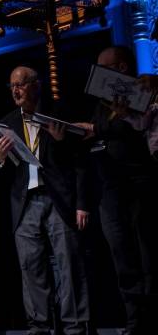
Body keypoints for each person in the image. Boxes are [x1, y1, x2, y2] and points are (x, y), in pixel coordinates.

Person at [0, 66, 90, 335]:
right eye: (12, 85)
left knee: (69, 264)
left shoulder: (59, 114)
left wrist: (82, 203)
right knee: (31, 268)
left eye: (21, 84)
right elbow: (4, 173)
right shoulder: (7, 123)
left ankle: (75, 326)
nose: (16, 90)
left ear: (36, 85)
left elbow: (80, 162)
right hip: (24, 203)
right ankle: (40, 327)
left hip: (59, 199)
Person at [75, 46, 158, 334]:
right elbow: (95, 135)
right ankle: (135, 321)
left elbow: (134, 130)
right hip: (110, 190)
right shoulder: (101, 104)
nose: (99, 74)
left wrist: (98, 129)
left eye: (104, 67)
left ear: (122, 69)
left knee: (148, 253)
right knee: (122, 257)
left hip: (140, 184)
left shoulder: (143, 93)